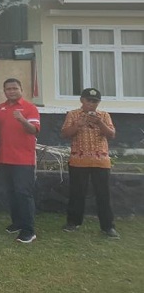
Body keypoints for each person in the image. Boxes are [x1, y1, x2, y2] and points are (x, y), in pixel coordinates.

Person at [61, 88, 119, 238]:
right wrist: (78, 125)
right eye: (89, 100)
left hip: (101, 161)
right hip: (78, 161)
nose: (92, 104)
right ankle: (73, 222)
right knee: (77, 193)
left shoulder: (104, 115)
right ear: (82, 100)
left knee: (103, 195)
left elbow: (111, 135)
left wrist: (100, 123)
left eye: (95, 101)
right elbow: (65, 134)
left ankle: (108, 227)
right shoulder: (73, 114)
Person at [0, 78, 40, 244]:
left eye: (14, 88)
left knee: (23, 194)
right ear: (4, 91)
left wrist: (22, 120)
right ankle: (17, 222)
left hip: (23, 160)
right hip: (5, 158)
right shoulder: (0, 108)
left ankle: (29, 231)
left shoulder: (30, 108)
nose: (11, 91)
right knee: (11, 192)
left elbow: (34, 130)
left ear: (21, 89)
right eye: (8, 89)